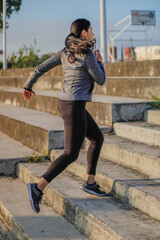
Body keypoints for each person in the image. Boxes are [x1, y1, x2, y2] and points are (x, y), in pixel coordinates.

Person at [23, 18, 106, 214]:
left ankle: (90, 181)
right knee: (70, 153)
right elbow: (100, 79)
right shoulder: (87, 55)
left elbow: (40, 68)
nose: (93, 33)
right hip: (75, 107)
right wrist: (101, 63)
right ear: (84, 33)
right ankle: (37, 187)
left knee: (96, 137)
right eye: (91, 30)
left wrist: (28, 85)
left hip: (65, 104)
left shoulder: (64, 52)